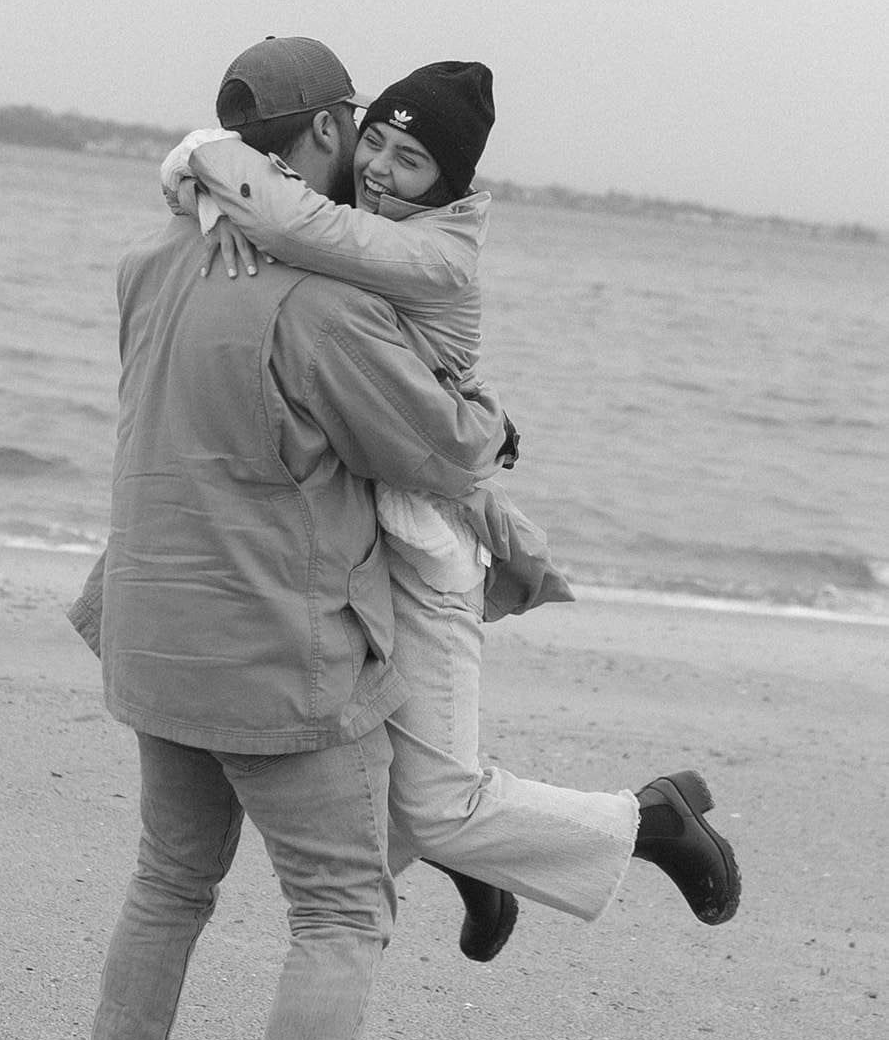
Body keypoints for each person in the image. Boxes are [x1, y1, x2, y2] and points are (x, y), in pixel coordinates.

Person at [57, 36, 515, 1040]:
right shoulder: (325, 302)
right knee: (341, 909)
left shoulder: (152, 258)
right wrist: (488, 419)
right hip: (277, 647)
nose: (364, 152)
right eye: (356, 127)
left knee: (169, 881)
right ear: (322, 134)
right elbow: (435, 449)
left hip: (156, 627)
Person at [158, 59, 742, 936]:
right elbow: (223, 184)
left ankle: (651, 821)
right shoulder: (369, 215)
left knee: (430, 802)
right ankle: (456, 870)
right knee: (369, 775)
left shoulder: (432, 253)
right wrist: (204, 192)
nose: (378, 170)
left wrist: (208, 164)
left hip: (426, 542)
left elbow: (284, 215)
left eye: (410, 161)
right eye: (375, 144)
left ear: (448, 182)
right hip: (357, 538)